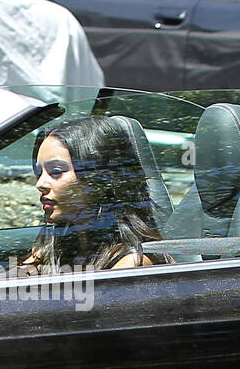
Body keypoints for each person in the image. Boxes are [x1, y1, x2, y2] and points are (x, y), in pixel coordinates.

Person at [23, 115, 169, 274]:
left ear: (98, 179)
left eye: (56, 172)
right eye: (39, 172)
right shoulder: (59, 247)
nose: (40, 184)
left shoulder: (132, 263)